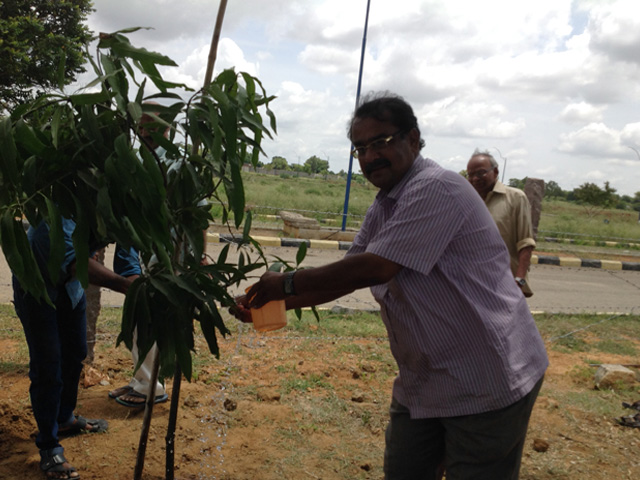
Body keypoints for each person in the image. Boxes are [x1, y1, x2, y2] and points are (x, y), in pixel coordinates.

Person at [235, 92, 549, 479]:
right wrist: (269, 302)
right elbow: (351, 272)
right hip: (427, 379)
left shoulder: (437, 187)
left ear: (413, 140)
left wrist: (285, 283)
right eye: (360, 148)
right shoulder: (387, 202)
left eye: (381, 142)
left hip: (486, 374)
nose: (369, 157)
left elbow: (377, 267)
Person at [13, 219, 139, 479]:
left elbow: (128, 255)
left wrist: (137, 281)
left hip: (70, 286)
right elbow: (72, 260)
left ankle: (64, 419)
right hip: (36, 284)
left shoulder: (119, 201)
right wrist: (125, 285)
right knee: (48, 365)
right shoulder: (65, 195)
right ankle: (49, 446)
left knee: (75, 352)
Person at [107, 109, 170, 408]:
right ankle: (140, 379)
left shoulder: (174, 164)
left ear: (166, 131)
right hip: (133, 251)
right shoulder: (134, 161)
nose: (145, 136)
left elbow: (196, 215)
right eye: (141, 130)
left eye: (151, 130)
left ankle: (150, 386)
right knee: (135, 318)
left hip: (157, 254)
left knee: (147, 317)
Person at [466, 149, 536, 297]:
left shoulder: (516, 198)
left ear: (495, 172)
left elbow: (526, 243)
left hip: (505, 284)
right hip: (471, 282)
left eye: (480, 173)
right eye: (470, 175)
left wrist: (519, 281)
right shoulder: (466, 200)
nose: (475, 179)